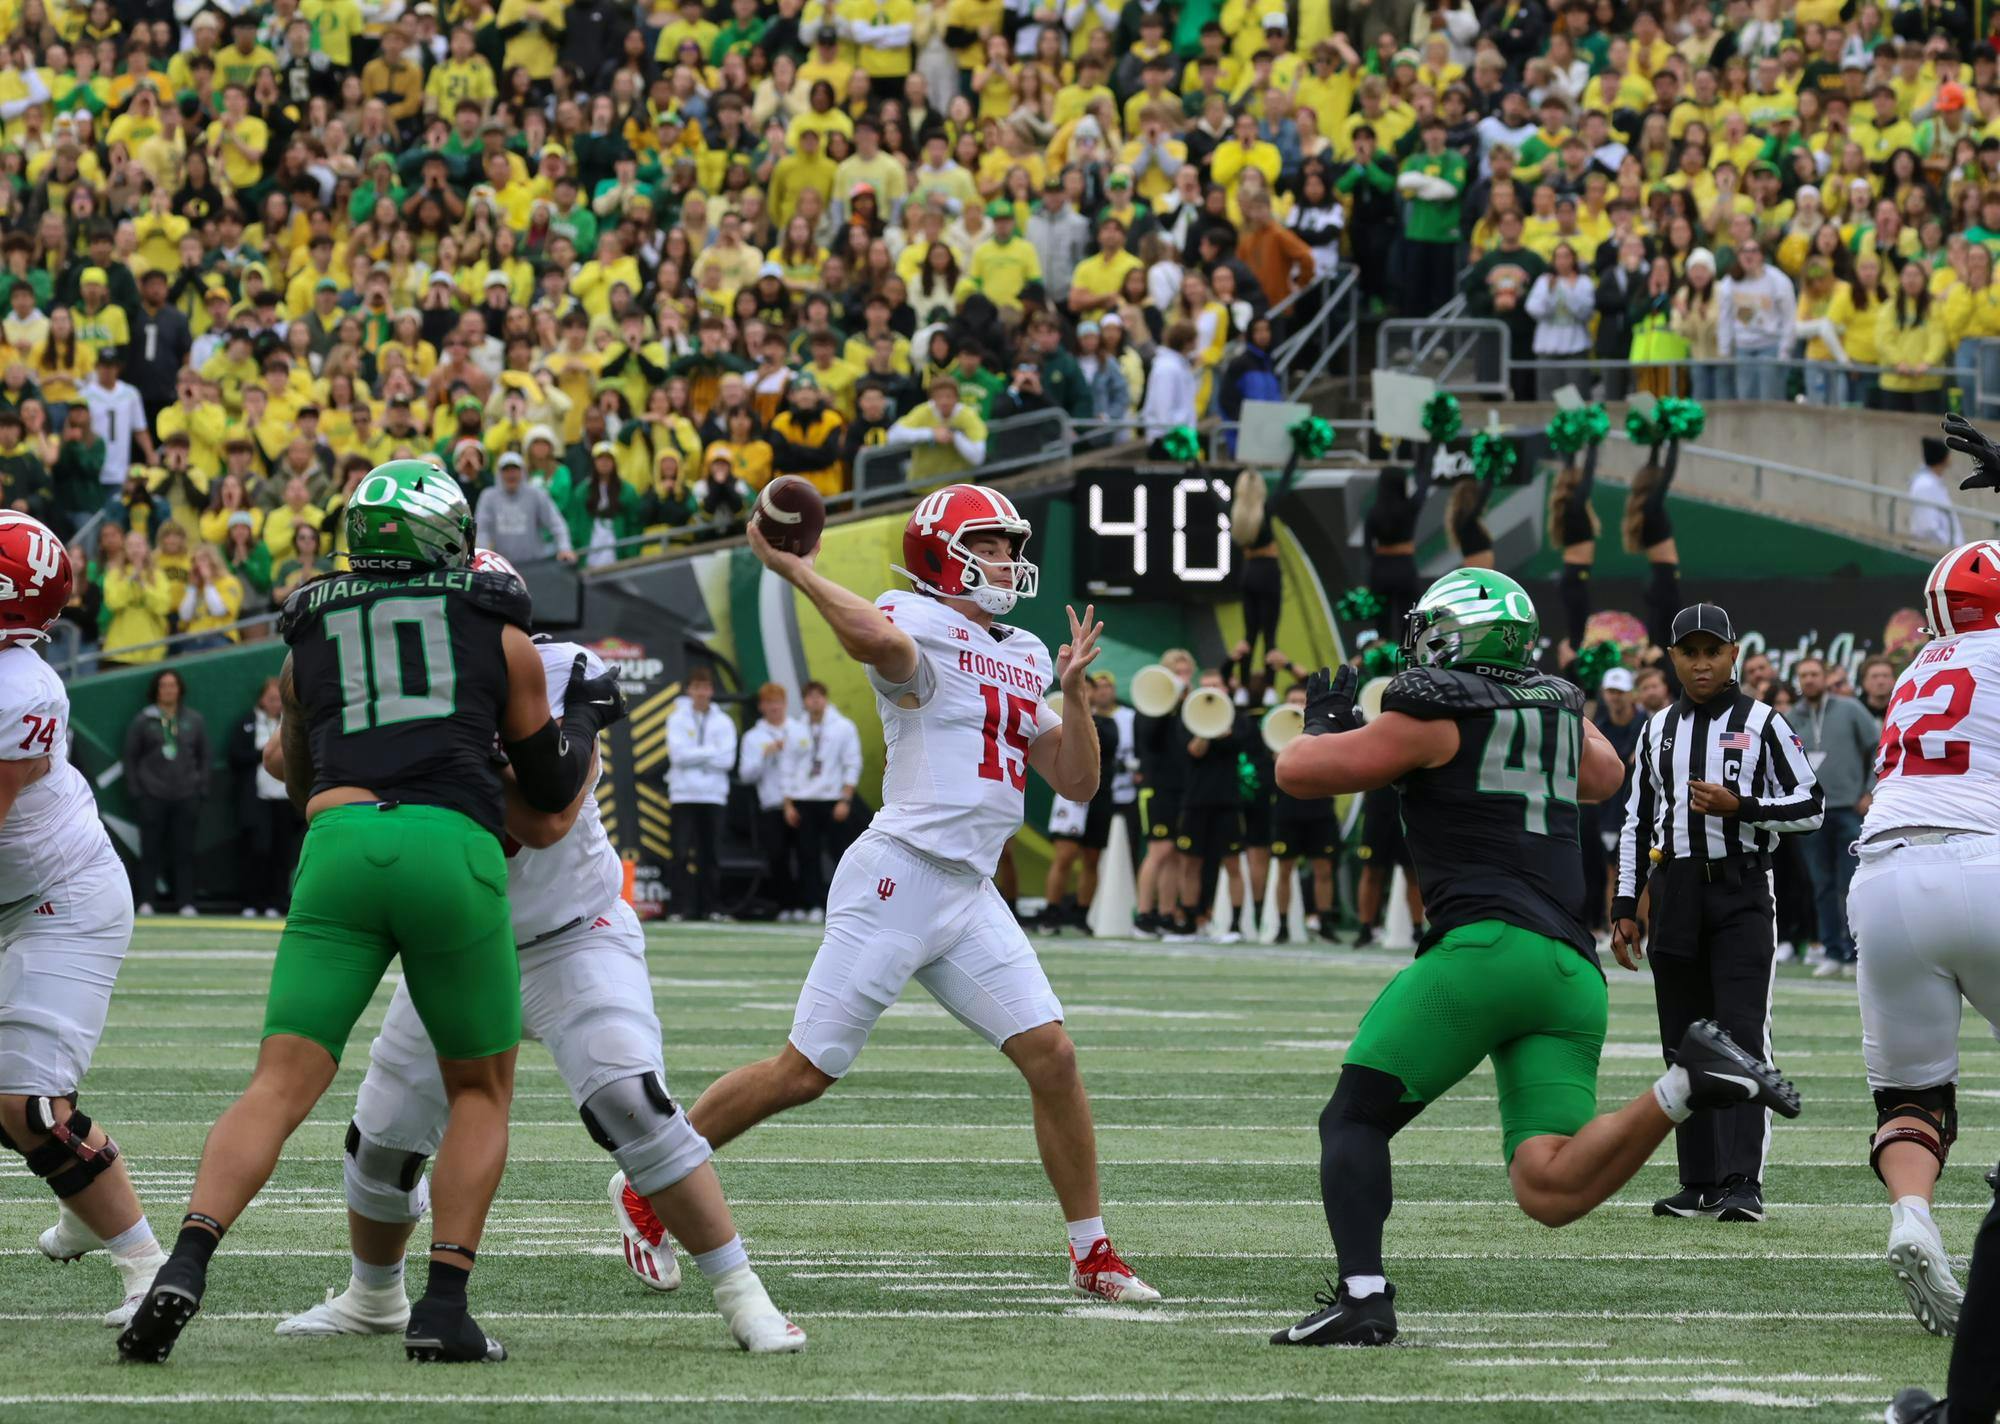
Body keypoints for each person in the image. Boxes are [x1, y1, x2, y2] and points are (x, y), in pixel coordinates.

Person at [117, 461, 625, 1366]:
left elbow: (296, 770)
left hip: (339, 850)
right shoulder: (495, 627)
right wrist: (583, 718)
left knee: (277, 1083)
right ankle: (443, 1307)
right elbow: (549, 788)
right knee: (479, 1090)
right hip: (450, 852)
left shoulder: (307, 628)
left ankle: (185, 1260)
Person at [272, 561, 800, 1354]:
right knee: (380, 1141)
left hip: (571, 929)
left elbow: (548, 818)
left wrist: (441, 767)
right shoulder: (396, 680)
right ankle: (372, 1296)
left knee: (631, 1099)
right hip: (459, 937)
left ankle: (740, 1292)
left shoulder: (554, 669)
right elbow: (291, 765)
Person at [1271, 569, 1800, 1346]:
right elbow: (1606, 774)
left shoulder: (1429, 713)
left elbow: (1298, 774)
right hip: (1567, 971)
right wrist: (1545, 696)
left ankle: (1363, 1296)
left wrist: (1325, 722)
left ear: (1458, 634)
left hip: (1484, 948)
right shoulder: (1560, 711)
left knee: (1353, 1118)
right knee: (1549, 1186)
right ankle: (1686, 1084)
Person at [691, 483, 1160, 1303]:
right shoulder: (918, 619)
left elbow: (1078, 780)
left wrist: (1077, 694)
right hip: (898, 874)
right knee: (803, 1073)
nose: (1007, 559)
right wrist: (796, 570)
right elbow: (877, 642)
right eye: (989, 544)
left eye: (1012, 545)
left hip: (969, 890)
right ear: (943, 552)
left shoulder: (1019, 652)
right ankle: (652, 1180)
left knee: (1053, 1056)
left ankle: (1093, 1253)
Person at [0, 511, 167, 1330]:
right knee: (30, 1103)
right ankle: (80, 1199)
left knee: (24, 1104)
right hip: (19, 896)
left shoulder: (22, 689)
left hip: (60, 899)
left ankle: (145, 1266)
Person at [1612, 604, 1824, 1225]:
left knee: (1738, 1034)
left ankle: (1742, 1182)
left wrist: (1743, 807)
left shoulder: (1764, 721)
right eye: (1689, 651)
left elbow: (1811, 804)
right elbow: (1636, 820)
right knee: (1682, 1039)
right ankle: (1699, 1180)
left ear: (1733, 653)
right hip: (1674, 891)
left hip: (1740, 892)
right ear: (1671, 657)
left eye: (1713, 650)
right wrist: (1626, 905)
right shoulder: (1656, 729)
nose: (1701, 663)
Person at [1790, 656, 1881, 979]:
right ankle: (1832, 950)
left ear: (1826, 676)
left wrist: (1870, 789)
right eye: (1804, 675)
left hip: (1848, 809)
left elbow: (1878, 747)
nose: (1810, 680)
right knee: (1821, 884)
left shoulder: (1850, 709)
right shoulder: (1791, 717)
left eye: (1814, 674)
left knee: (1853, 884)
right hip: (1812, 813)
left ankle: (1858, 950)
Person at [123, 669, 208, 918]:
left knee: (185, 850)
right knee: (149, 850)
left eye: (173, 685)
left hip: (186, 793)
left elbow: (205, 756)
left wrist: (200, 788)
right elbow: (130, 757)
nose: (168, 690)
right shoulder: (143, 720)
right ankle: (146, 900)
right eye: (163, 685)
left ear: (180, 689)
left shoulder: (194, 719)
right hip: (152, 794)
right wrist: (137, 792)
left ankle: (186, 902)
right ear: (156, 690)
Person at [1040, 674, 1120, 934]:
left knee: (1091, 859)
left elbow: (1106, 745)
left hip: (1100, 796)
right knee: (1064, 856)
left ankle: (1081, 916)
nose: (1083, 691)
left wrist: (1081, 712)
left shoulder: (1108, 725)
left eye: (1088, 688)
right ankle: (1051, 914)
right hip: (1069, 796)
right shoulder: (1058, 718)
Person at [782, 680, 863, 921]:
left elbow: (852, 763)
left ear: (825, 699)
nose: (814, 701)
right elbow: (788, 766)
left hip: (832, 800)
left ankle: (847, 905)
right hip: (804, 800)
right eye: (810, 697)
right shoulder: (796, 729)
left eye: (819, 696)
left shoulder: (842, 727)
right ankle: (814, 904)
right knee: (807, 855)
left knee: (841, 854)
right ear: (805, 701)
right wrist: (788, 803)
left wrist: (845, 799)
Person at [665, 666, 738, 923]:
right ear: (689, 690)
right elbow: (678, 756)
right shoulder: (676, 718)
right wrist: (710, 753)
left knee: (711, 854)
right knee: (680, 854)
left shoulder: (723, 721)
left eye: (705, 687)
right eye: (696, 687)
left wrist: (695, 755)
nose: (701, 692)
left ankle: (712, 908)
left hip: (714, 796)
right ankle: (677, 909)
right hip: (683, 795)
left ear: (711, 690)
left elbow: (727, 760)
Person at [229, 678, 301, 919]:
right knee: (258, 850)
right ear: (261, 699)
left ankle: (277, 901)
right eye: (271, 699)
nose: (275, 704)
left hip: (284, 799)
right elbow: (236, 757)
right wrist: (263, 754)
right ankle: (252, 901)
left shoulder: (293, 722)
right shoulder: (247, 723)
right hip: (257, 799)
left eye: (279, 699)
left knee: (282, 853)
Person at [737, 683, 800, 921]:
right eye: (769, 703)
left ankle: (809, 905)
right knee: (777, 857)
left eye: (778, 702)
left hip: (801, 801)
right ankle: (784, 906)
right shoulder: (754, 737)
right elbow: (746, 775)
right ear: (762, 706)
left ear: (785, 704)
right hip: (771, 804)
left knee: (806, 856)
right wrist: (766, 754)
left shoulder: (798, 730)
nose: (774, 707)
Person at [475, 450, 576, 567]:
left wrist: (565, 548)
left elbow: (556, 523)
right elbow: (482, 530)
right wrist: (483, 559)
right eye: (506, 470)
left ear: (522, 472)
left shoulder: (537, 494)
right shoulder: (488, 496)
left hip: (534, 564)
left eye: (515, 470)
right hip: (503, 566)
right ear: (499, 473)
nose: (511, 474)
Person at [1910, 436, 1967, 548]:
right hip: (1939, 552)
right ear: (1943, 457)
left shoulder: (1932, 482)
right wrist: (1949, 547)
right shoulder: (1925, 485)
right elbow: (1927, 526)